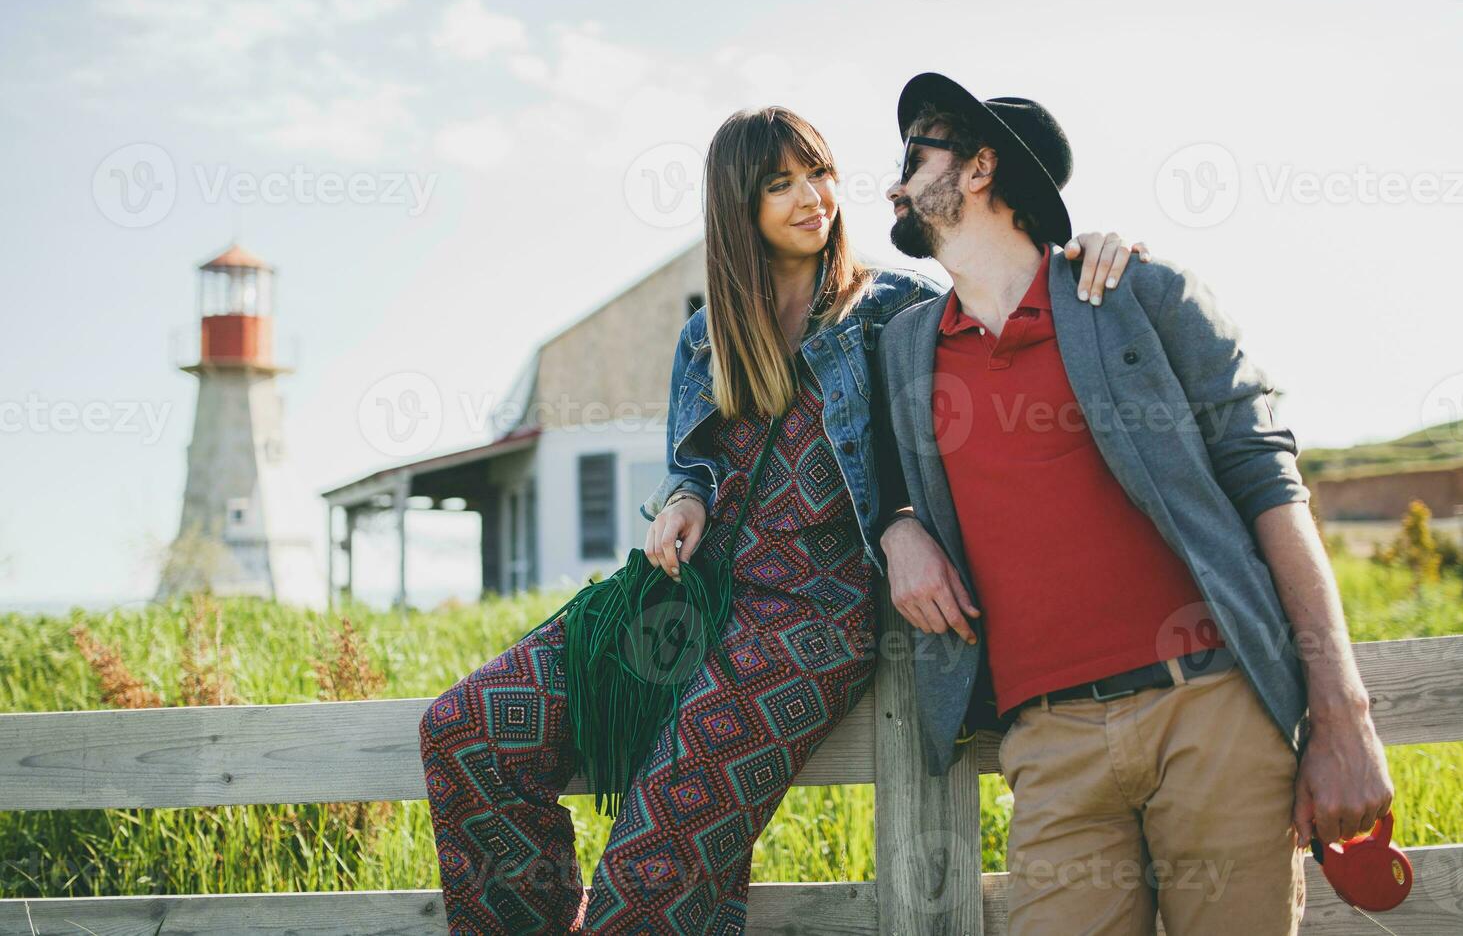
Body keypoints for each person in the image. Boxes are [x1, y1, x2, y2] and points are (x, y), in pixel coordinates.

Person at [418, 102, 1141, 934]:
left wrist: (1095, 252)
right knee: (467, 730)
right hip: (689, 598)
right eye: (780, 184)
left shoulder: (895, 309)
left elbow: (1010, 303)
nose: (813, 198)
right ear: (738, 204)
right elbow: (696, 462)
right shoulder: (706, 335)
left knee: (649, 874)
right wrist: (685, 497)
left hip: (809, 620)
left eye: (821, 174)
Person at [873, 71, 1394, 936]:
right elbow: (857, 460)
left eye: (913, 154)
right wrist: (896, 531)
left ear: (978, 169)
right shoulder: (902, 348)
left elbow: (1270, 484)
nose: (893, 180)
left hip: (1213, 713)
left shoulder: (1141, 297)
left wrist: (1343, 714)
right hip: (1048, 748)